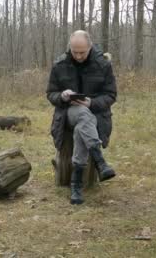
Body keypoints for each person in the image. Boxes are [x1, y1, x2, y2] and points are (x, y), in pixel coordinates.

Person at [46, 30, 117, 205]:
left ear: (90, 47)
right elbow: (50, 93)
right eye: (74, 51)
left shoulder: (103, 65)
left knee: (83, 125)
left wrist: (91, 102)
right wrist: (62, 96)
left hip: (96, 115)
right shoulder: (59, 65)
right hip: (68, 113)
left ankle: (76, 184)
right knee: (82, 115)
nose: (78, 56)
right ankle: (100, 162)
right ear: (70, 47)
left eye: (82, 52)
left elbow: (111, 95)